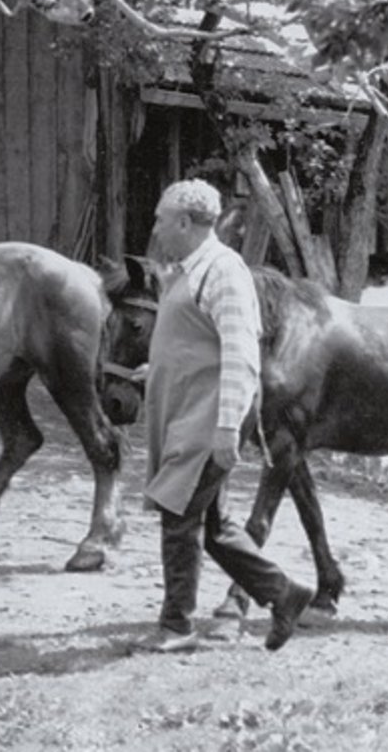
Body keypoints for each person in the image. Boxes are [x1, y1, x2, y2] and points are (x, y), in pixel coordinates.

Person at [136, 178, 314, 653]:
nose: (155, 229)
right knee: (214, 526)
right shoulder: (189, 271)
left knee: (178, 512)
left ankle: (176, 625)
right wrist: (158, 369)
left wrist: (227, 429)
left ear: (184, 223)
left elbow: (241, 357)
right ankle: (284, 594)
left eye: (160, 220)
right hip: (189, 411)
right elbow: (198, 342)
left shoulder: (223, 272)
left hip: (209, 416)